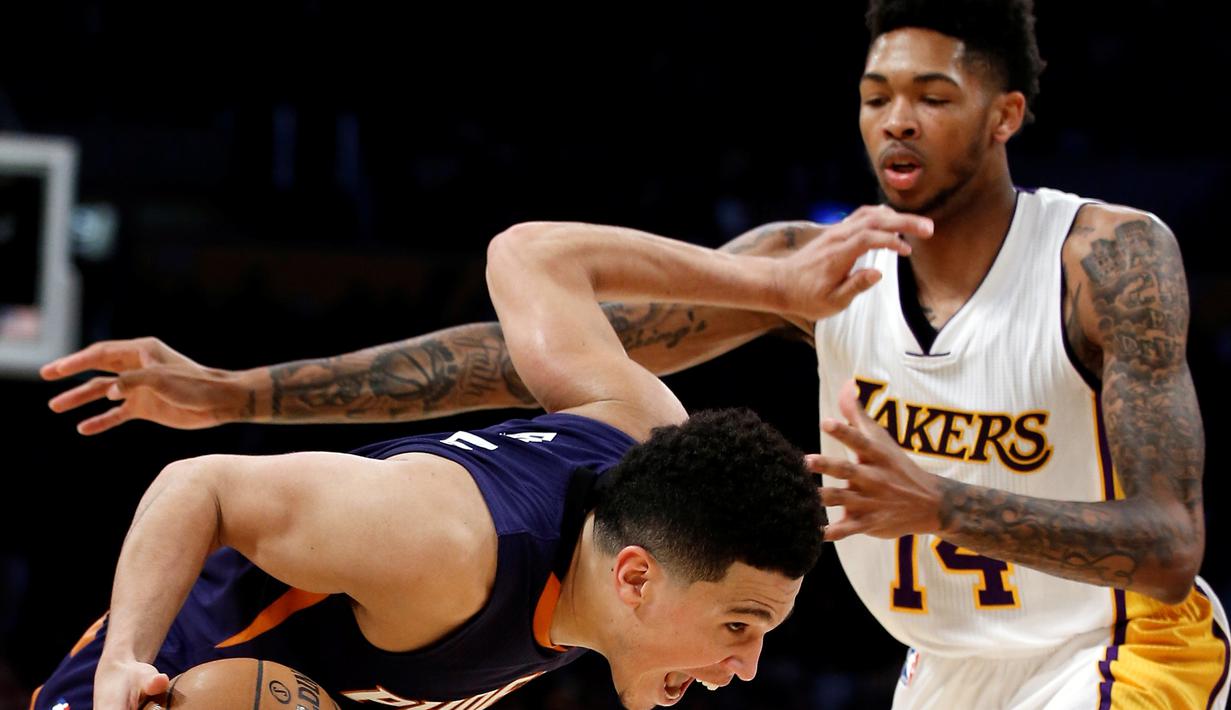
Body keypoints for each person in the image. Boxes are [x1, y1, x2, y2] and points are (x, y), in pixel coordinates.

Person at [42, 1, 1229, 707]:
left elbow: (1171, 545)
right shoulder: (812, 277)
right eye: (876, 94)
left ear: (1007, 112)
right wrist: (240, 391)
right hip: (940, 666)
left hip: (1109, 645)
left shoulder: (1104, 261)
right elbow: (515, 347)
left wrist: (939, 500)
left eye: (934, 94)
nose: (898, 122)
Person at [30, 216, 937, 710]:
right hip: (150, 690)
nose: (745, 666)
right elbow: (201, 485)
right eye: (741, 625)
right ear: (634, 576)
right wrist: (127, 659)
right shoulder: (443, 545)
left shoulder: (640, 424)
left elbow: (532, 255)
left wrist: (773, 293)